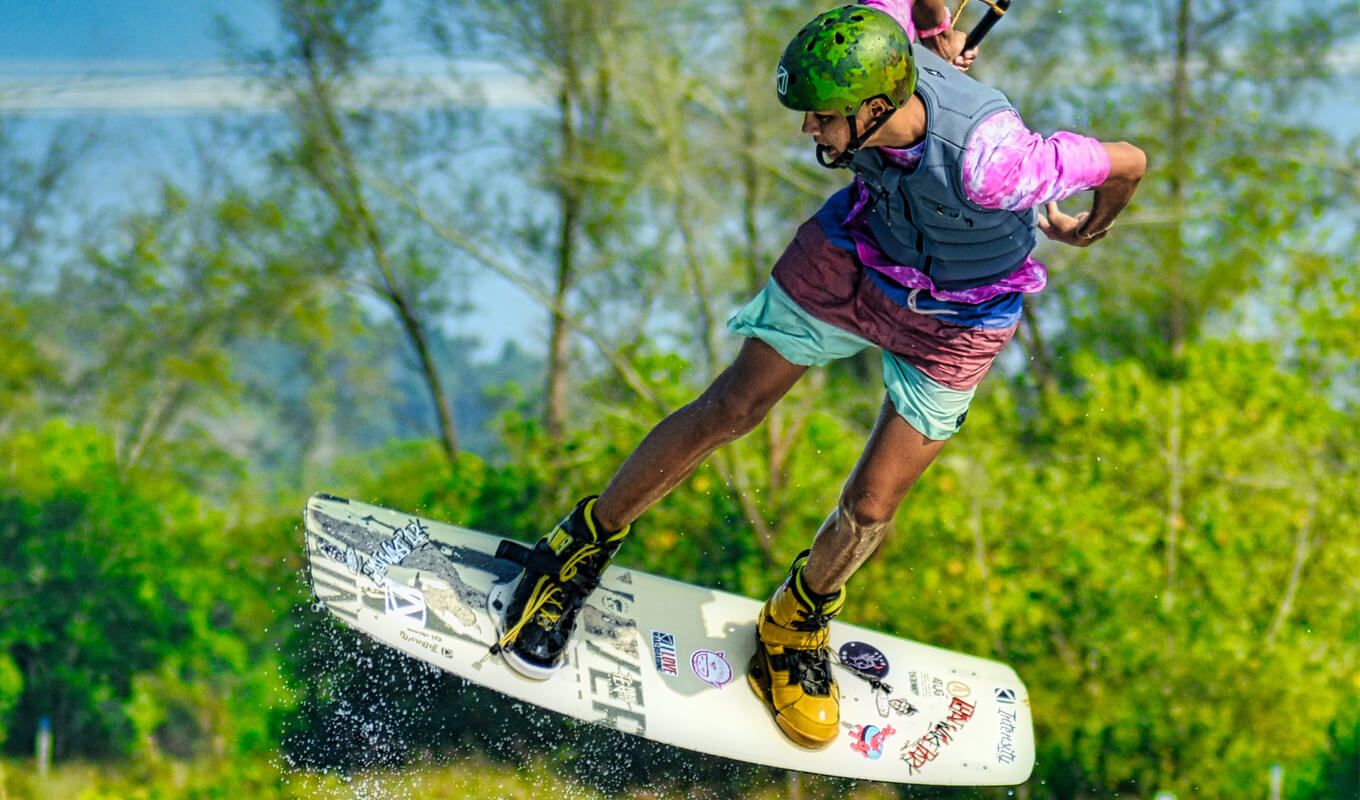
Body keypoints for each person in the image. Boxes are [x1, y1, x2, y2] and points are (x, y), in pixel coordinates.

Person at [487, 0, 1147, 749]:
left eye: (823, 118)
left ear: (874, 106)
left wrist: (1088, 223)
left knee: (870, 506)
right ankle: (574, 551)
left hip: (963, 316)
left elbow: (1129, 160)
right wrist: (936, 27)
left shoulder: (1000, 165)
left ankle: (796, 625)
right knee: (731, 407)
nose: (809, 130)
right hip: (857, 257)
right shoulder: (876, 34)